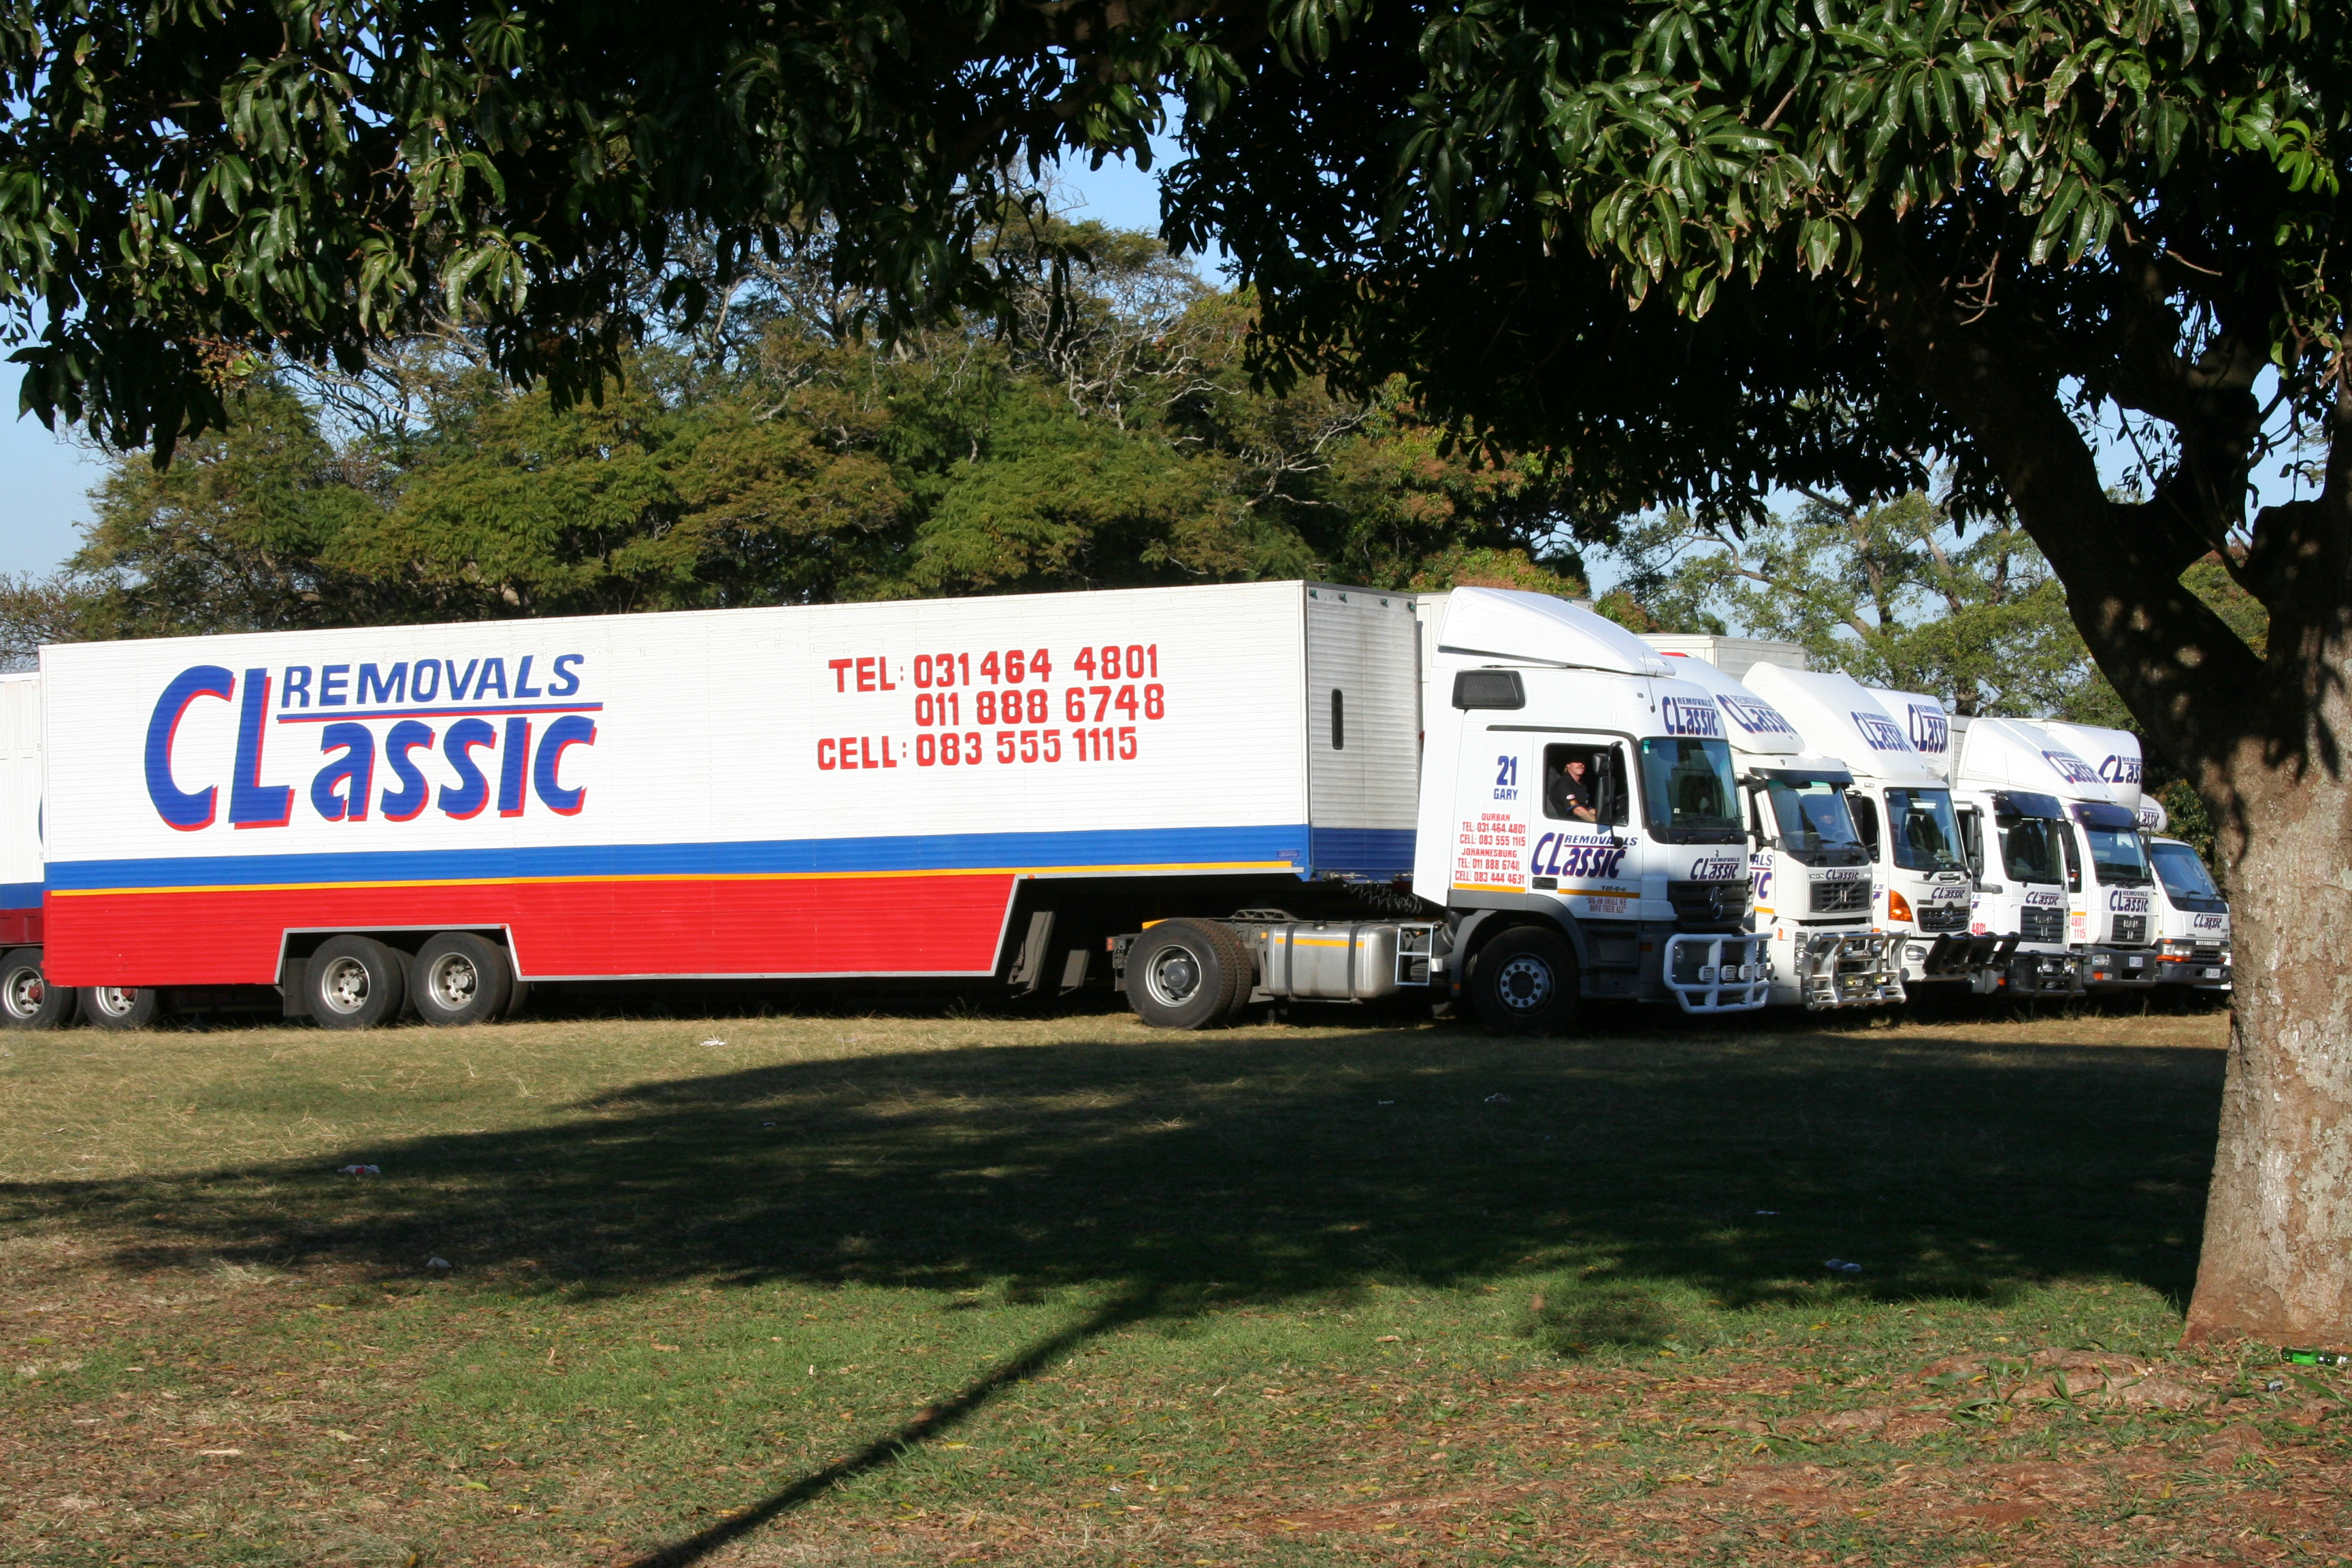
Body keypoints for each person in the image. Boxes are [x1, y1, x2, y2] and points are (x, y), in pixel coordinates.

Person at [1549, 755, 1598, 822]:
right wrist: (1599, 823)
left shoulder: (1582, 784)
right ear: (1568, 765)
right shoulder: (1563, 784)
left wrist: (1605, 817)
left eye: (1582, 762)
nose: (1580, 764)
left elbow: (1589, 809)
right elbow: (1578, 811)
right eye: (1576, 761)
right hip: (1568, 825)